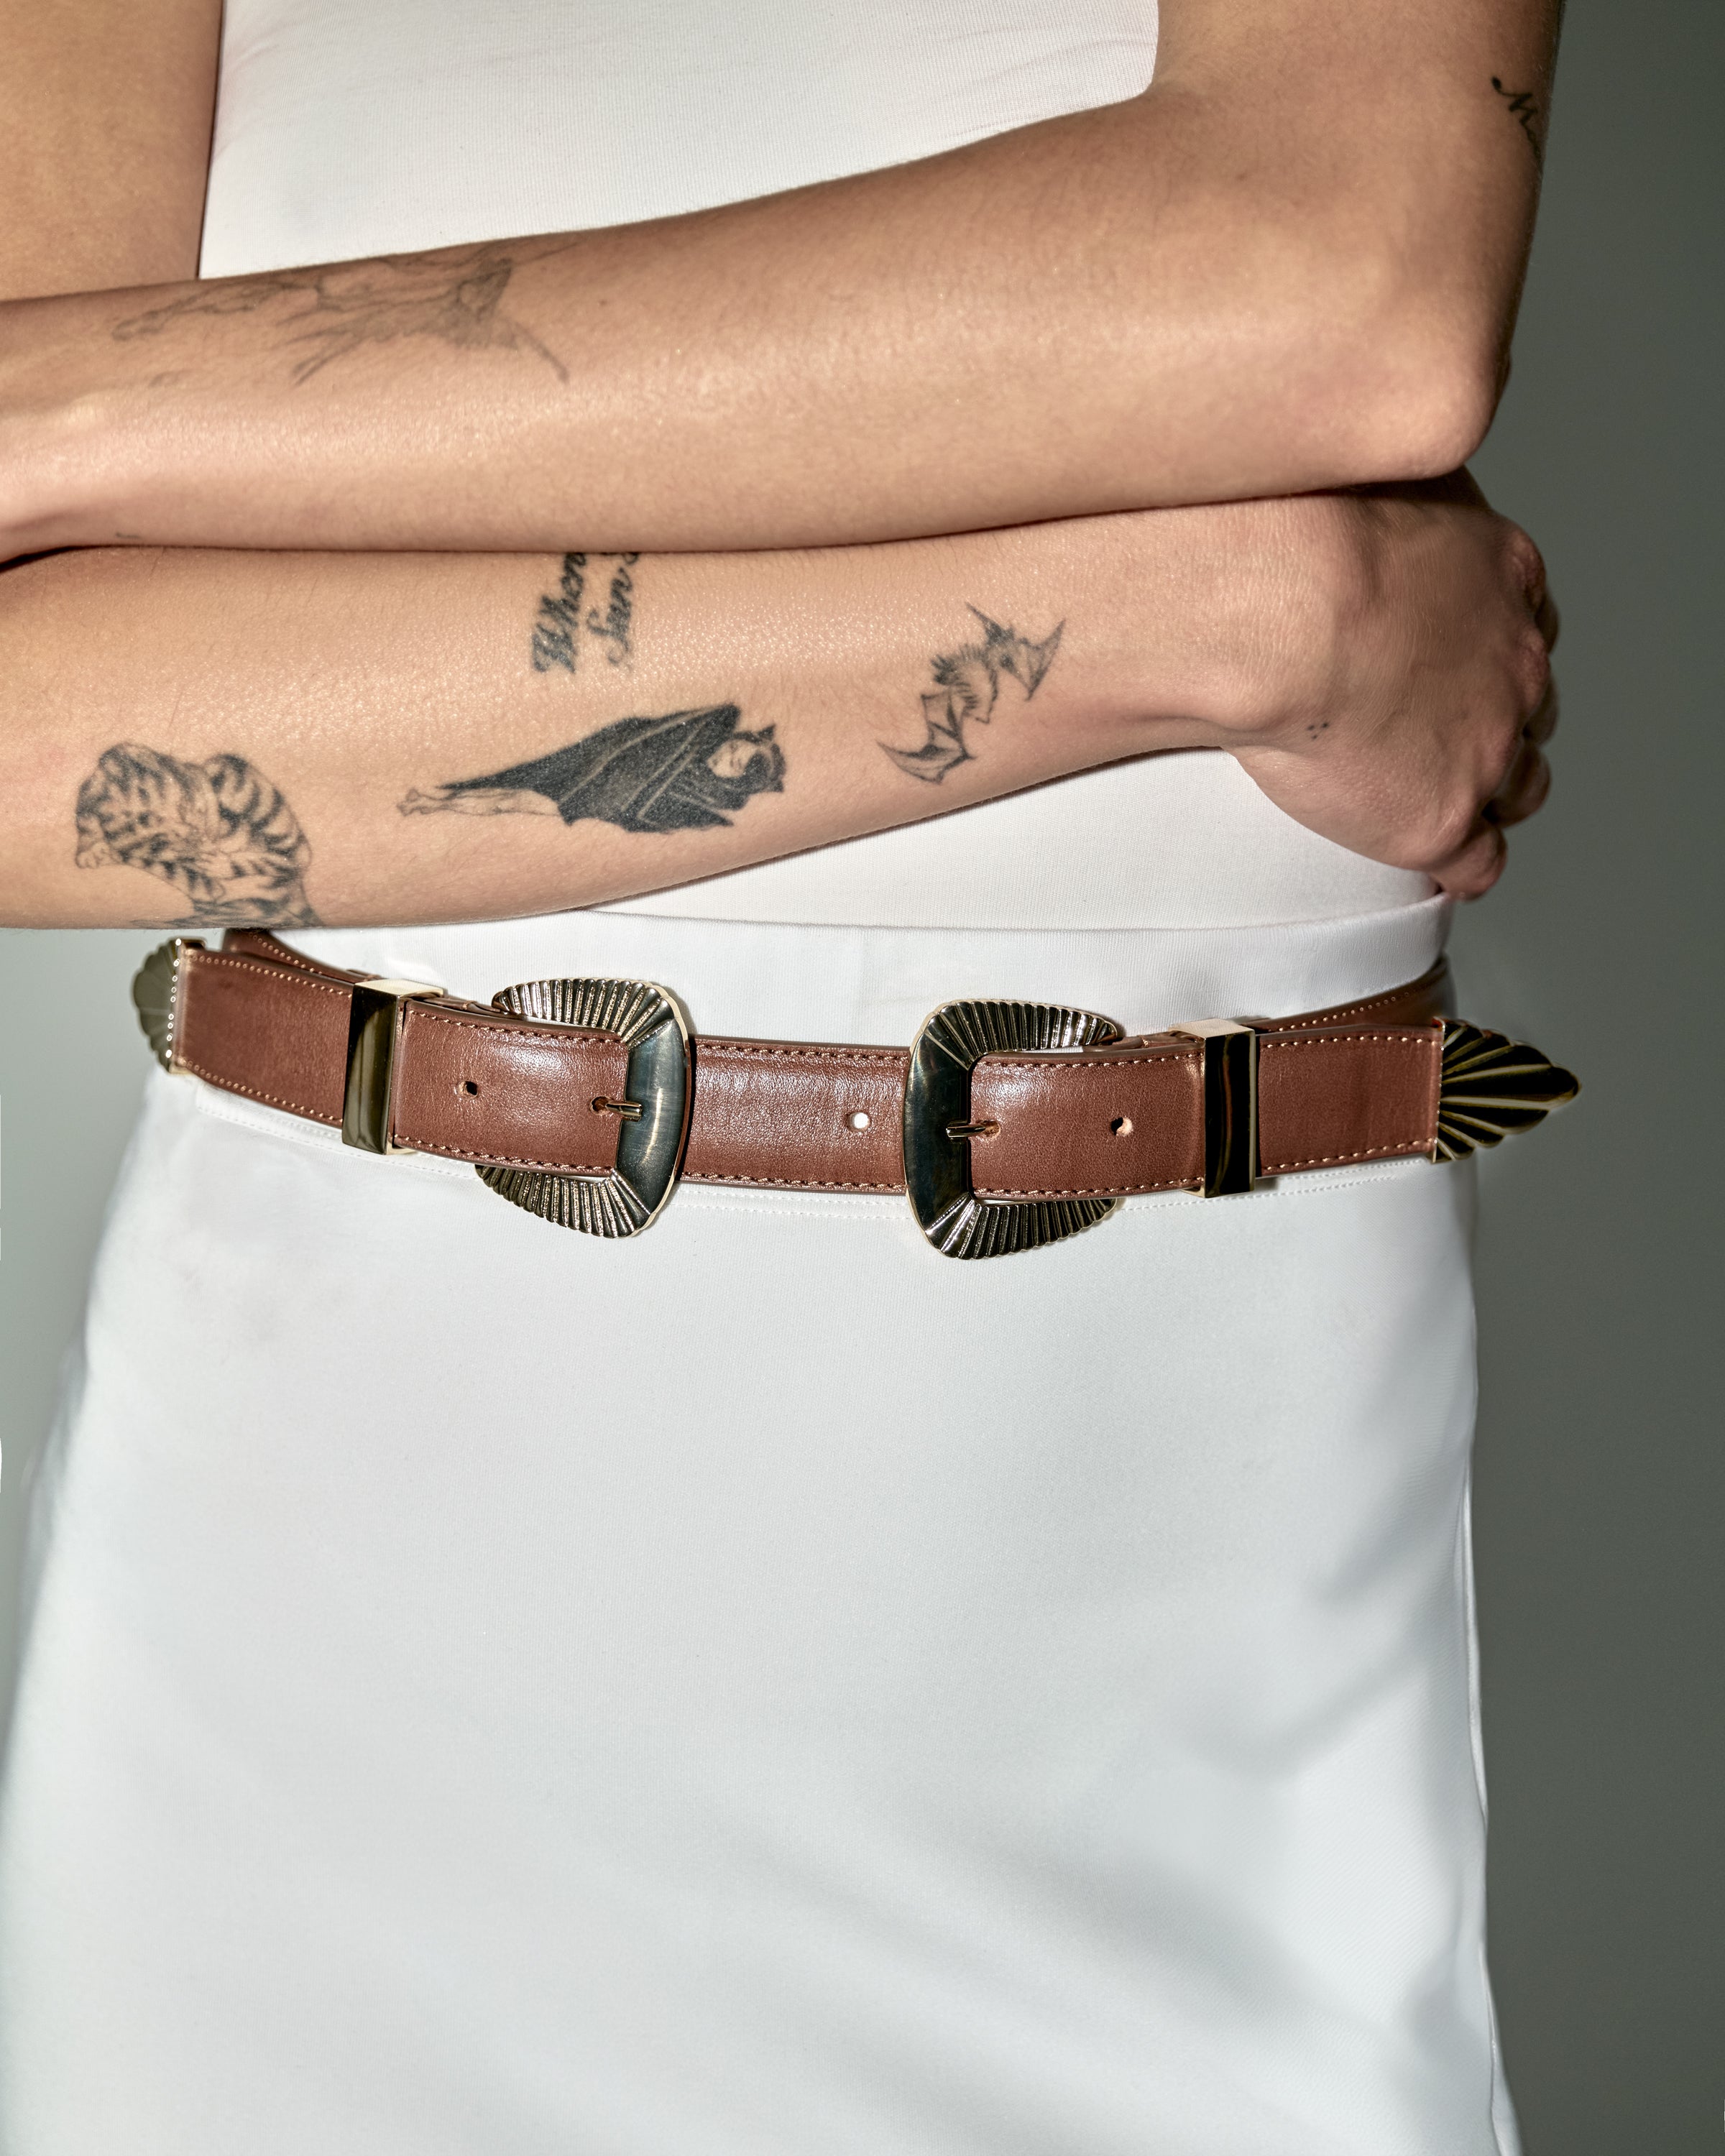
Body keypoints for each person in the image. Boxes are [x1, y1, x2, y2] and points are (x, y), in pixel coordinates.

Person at [0, 0, 1563, 2147]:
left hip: (1140, 1568)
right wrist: (1184, 617)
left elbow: (1333, 286)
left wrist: (60, 401)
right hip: (321, 1583)